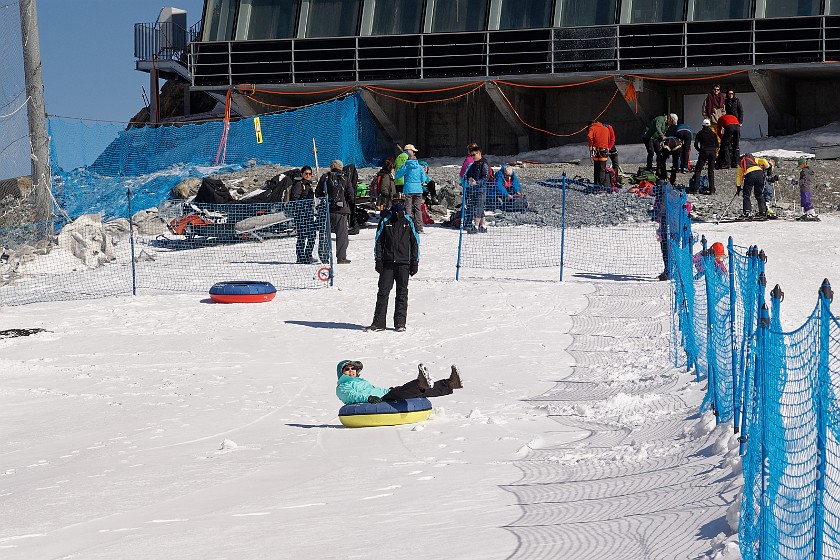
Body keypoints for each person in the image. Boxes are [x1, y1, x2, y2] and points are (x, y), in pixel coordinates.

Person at [367, 193, 420, 333]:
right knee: (383, 292)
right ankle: (378, 323)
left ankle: (400, 323)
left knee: (402, 293)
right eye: (396, 201)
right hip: (388, 263)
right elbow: (378, 241)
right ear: (392, 202)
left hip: (404, 263)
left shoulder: (409, 221)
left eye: (401, 201)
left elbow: (415, 243)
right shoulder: (385, 220)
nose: (398, 203)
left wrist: (415, 261)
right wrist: (378, 260)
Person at [335, 360, 463, 405]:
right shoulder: (342, 386)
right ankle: (420, 383)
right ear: (342, 373)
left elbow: (375, 389)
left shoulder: (362, 381)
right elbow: (351, 396)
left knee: (417, 393)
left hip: (384, 394)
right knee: (408, 391)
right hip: (378, 399)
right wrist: (368, 397)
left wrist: (388, 390)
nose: (351, 371)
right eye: (347, 369)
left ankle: (451, 383)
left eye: (353, 368)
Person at [315, 159, 354, 264]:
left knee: (325, 234)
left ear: (332, 166)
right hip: (341, 211)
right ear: (340, 167)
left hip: (327, 210)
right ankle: (341, 258)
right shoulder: (345, 178)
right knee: (342, 236)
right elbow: (351, 195)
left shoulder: (325, 177)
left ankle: (324, 257)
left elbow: (317, 193)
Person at [393, 147, 430, 233]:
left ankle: (409, 225)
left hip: (408, 189)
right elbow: (423, 179)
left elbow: (397, 175)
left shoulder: (406, 166)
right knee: (418, 209)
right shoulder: (420, 167)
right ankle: (420, 227)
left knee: (408, 208)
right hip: (418, 190)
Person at [288, 165, 316, 263]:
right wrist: (303, 205)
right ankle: (300, 257)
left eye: (310, 174)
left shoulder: (308, 184)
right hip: (301, 214)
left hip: (308, 213)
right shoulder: (299, 184)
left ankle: (308, 255)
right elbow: (295, 199)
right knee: (302, 236)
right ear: (302, 174)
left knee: (312, 235)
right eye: (306, 174)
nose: (308, 175)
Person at [464, 146, 491, 233]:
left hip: (481, 189)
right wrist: (468, 179)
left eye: (474, 155)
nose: (472, 157)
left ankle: (476, 226)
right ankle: (482, 225)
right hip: (474, 189)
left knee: (479, 207)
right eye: (471, 155)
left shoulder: (484, 164)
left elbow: (486, 177)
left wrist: (477, 182)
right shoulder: (473, 165)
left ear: (479, 153)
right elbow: (467, 174)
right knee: (479, 207)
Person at [736, 153, 772, 219]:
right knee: (759, 194)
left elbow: (739, 176)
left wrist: (738, 186)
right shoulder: (754, 159)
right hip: (759, 173)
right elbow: (763, 160)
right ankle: (763, 212)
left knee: (746, 194)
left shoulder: (741, 163)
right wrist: (768, 167)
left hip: (749, 175)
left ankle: (747, 212)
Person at [692, 119, 719, 195]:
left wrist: (699, 150)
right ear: (710, 125)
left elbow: (696, 144)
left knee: (698, 170)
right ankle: (711, 190)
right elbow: (717, 145)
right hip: (712, 152)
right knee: (711, 171)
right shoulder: (713, 134)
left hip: (704, 151)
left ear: (703, 125)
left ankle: (696, 189)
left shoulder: (700, 133)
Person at [657, 113, 682, 184]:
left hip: (667, 143)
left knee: (662, 160)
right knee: (675, 161)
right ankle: (673, 179)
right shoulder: (678, 128)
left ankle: (663, 176)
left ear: (671, 119)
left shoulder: (668, 128)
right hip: (676, 144)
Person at [587, 120, 612, 188]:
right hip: (604, 150)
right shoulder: (606, 129)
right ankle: (601, 185)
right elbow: (609, 139)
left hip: (596, 151)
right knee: (602, 168)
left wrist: (591, 145)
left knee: (596, 167)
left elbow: (589, 136)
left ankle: (597, 185)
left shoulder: (592, 128)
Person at [795, 157, 819, 221]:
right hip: (804, 188)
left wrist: (797, 182)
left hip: (806, 188)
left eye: (799, 165)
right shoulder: (807, 170)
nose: (799, 167)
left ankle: (812, 213)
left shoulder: (805, 171)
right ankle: (807, 213)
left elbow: (804, 180)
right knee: (804, 201)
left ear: (803, 164)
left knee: (806, 201)